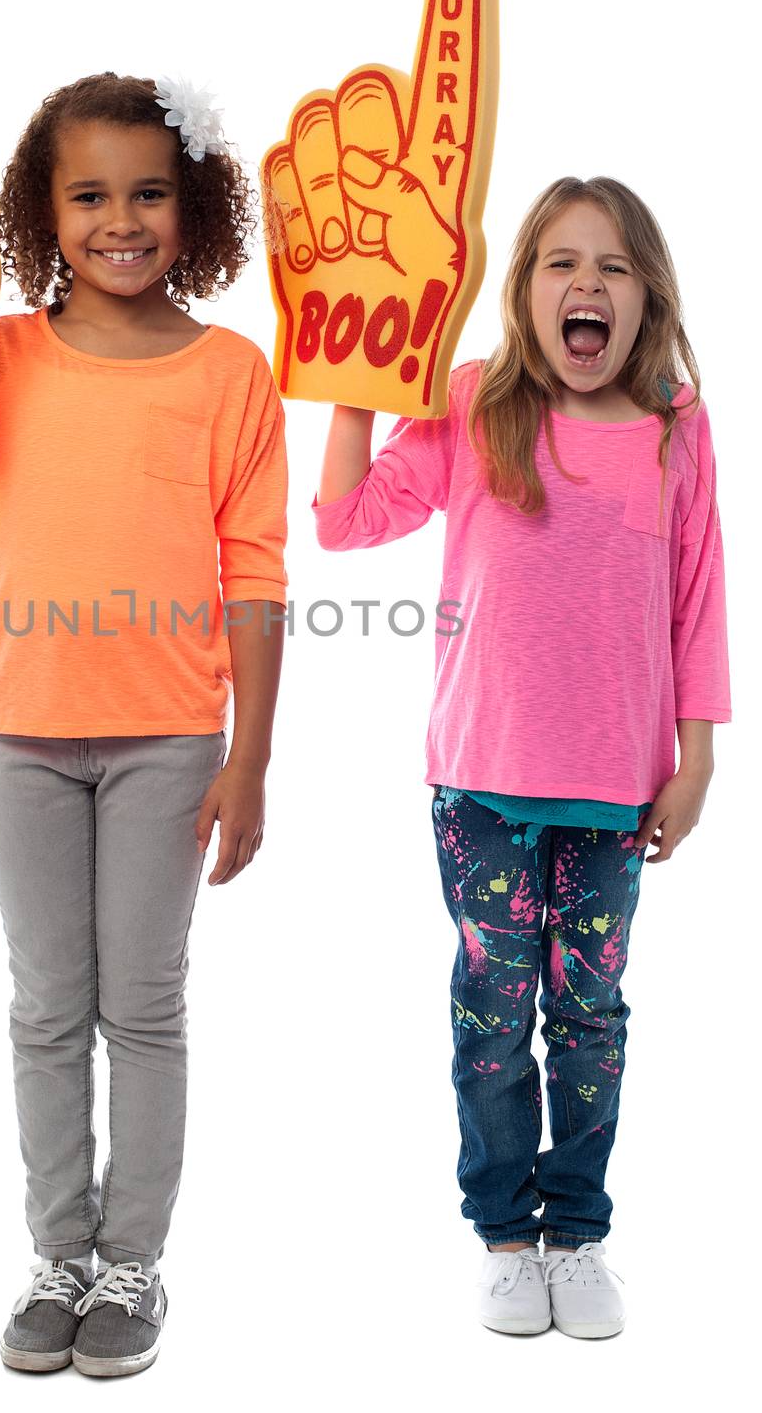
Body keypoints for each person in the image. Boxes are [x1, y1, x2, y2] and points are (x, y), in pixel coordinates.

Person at [0, 72, 288, 1377]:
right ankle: (59, 1256)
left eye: (149, 192)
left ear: (193, 205)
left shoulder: (230, 375)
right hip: (22, 735)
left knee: (141, 1010)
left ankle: (134, 1268)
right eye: (89, 193)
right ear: (44, 211)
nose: (121, 219)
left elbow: (256, 576)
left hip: (168, 739)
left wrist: (249, 761)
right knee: (48, 1009)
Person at [311, 177, 731, 1339]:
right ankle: (505, 1233)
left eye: (611, 265)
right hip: (480, 784)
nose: (586, 284)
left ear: (648, 296)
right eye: (560, 263)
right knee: (494, 1009)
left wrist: (696, 759)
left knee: (588, 1011)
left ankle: (579, 1231)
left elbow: (698, 602)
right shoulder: (473, 404)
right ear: (525, 288)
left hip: (615, 790)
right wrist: (356, 386)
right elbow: (346, 520)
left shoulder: (676, 430)